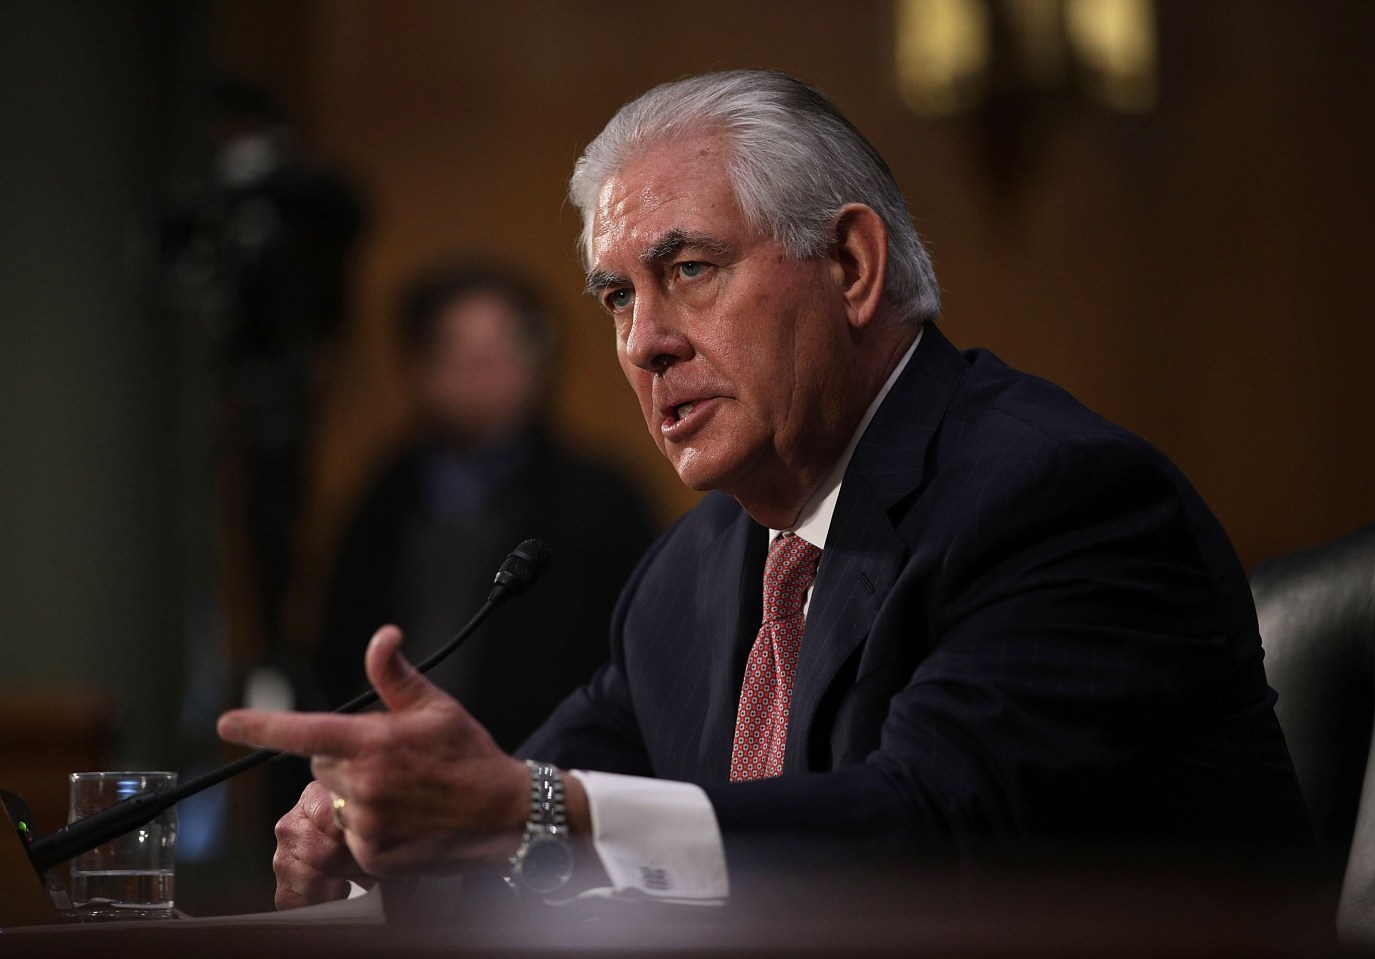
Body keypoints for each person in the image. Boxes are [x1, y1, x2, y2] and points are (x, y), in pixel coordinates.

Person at [218, 70, 1311, 911]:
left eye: (688, 270)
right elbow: (531, 802)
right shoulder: (691, 572)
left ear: (851, 266)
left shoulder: (1058, 498)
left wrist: (531, 808)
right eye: (616, 297)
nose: (642, 343)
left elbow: (929, 831)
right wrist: (389, 838)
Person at [306, 263, 657, 752]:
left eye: (503, 346)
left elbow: (634, 666)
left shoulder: (599, 502)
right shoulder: (382, 498)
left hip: (544, 769)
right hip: (392, 763)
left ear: (540, 361)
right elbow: (335, 654)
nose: (482, 367)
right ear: (420, 367)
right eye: (458, 349)